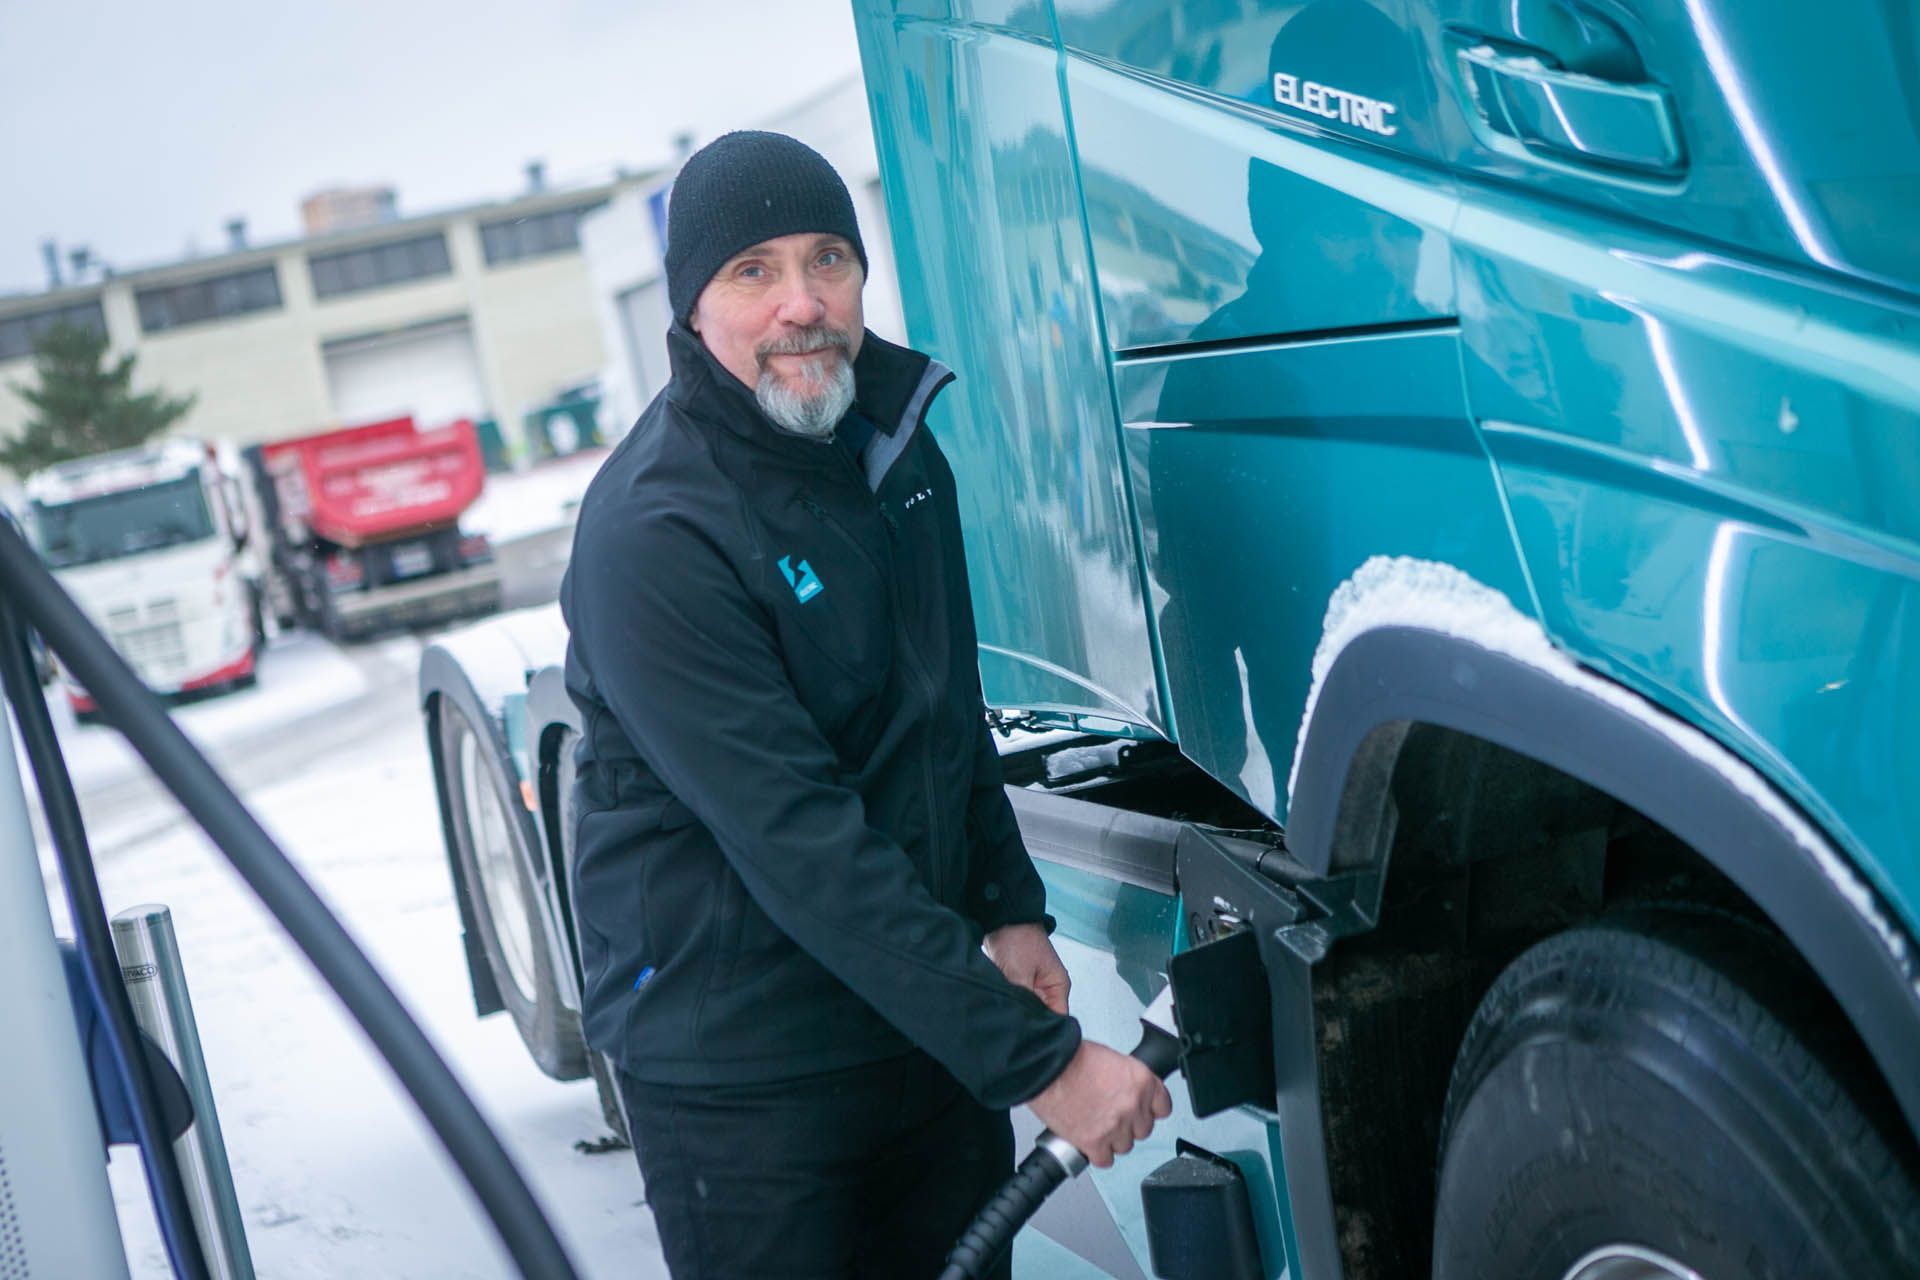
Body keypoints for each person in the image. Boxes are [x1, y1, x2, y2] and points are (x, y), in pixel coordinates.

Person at [559, 131, 1170, 1280]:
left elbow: (942, 709)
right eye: (754, 271)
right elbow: (799, 840)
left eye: (827, 258)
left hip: (909, 1022)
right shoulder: (655, 532)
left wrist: (1006, 903)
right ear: (693, 307)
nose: (803, 303)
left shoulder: (891, 445)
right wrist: (1039, 1060)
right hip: (742, 1067)